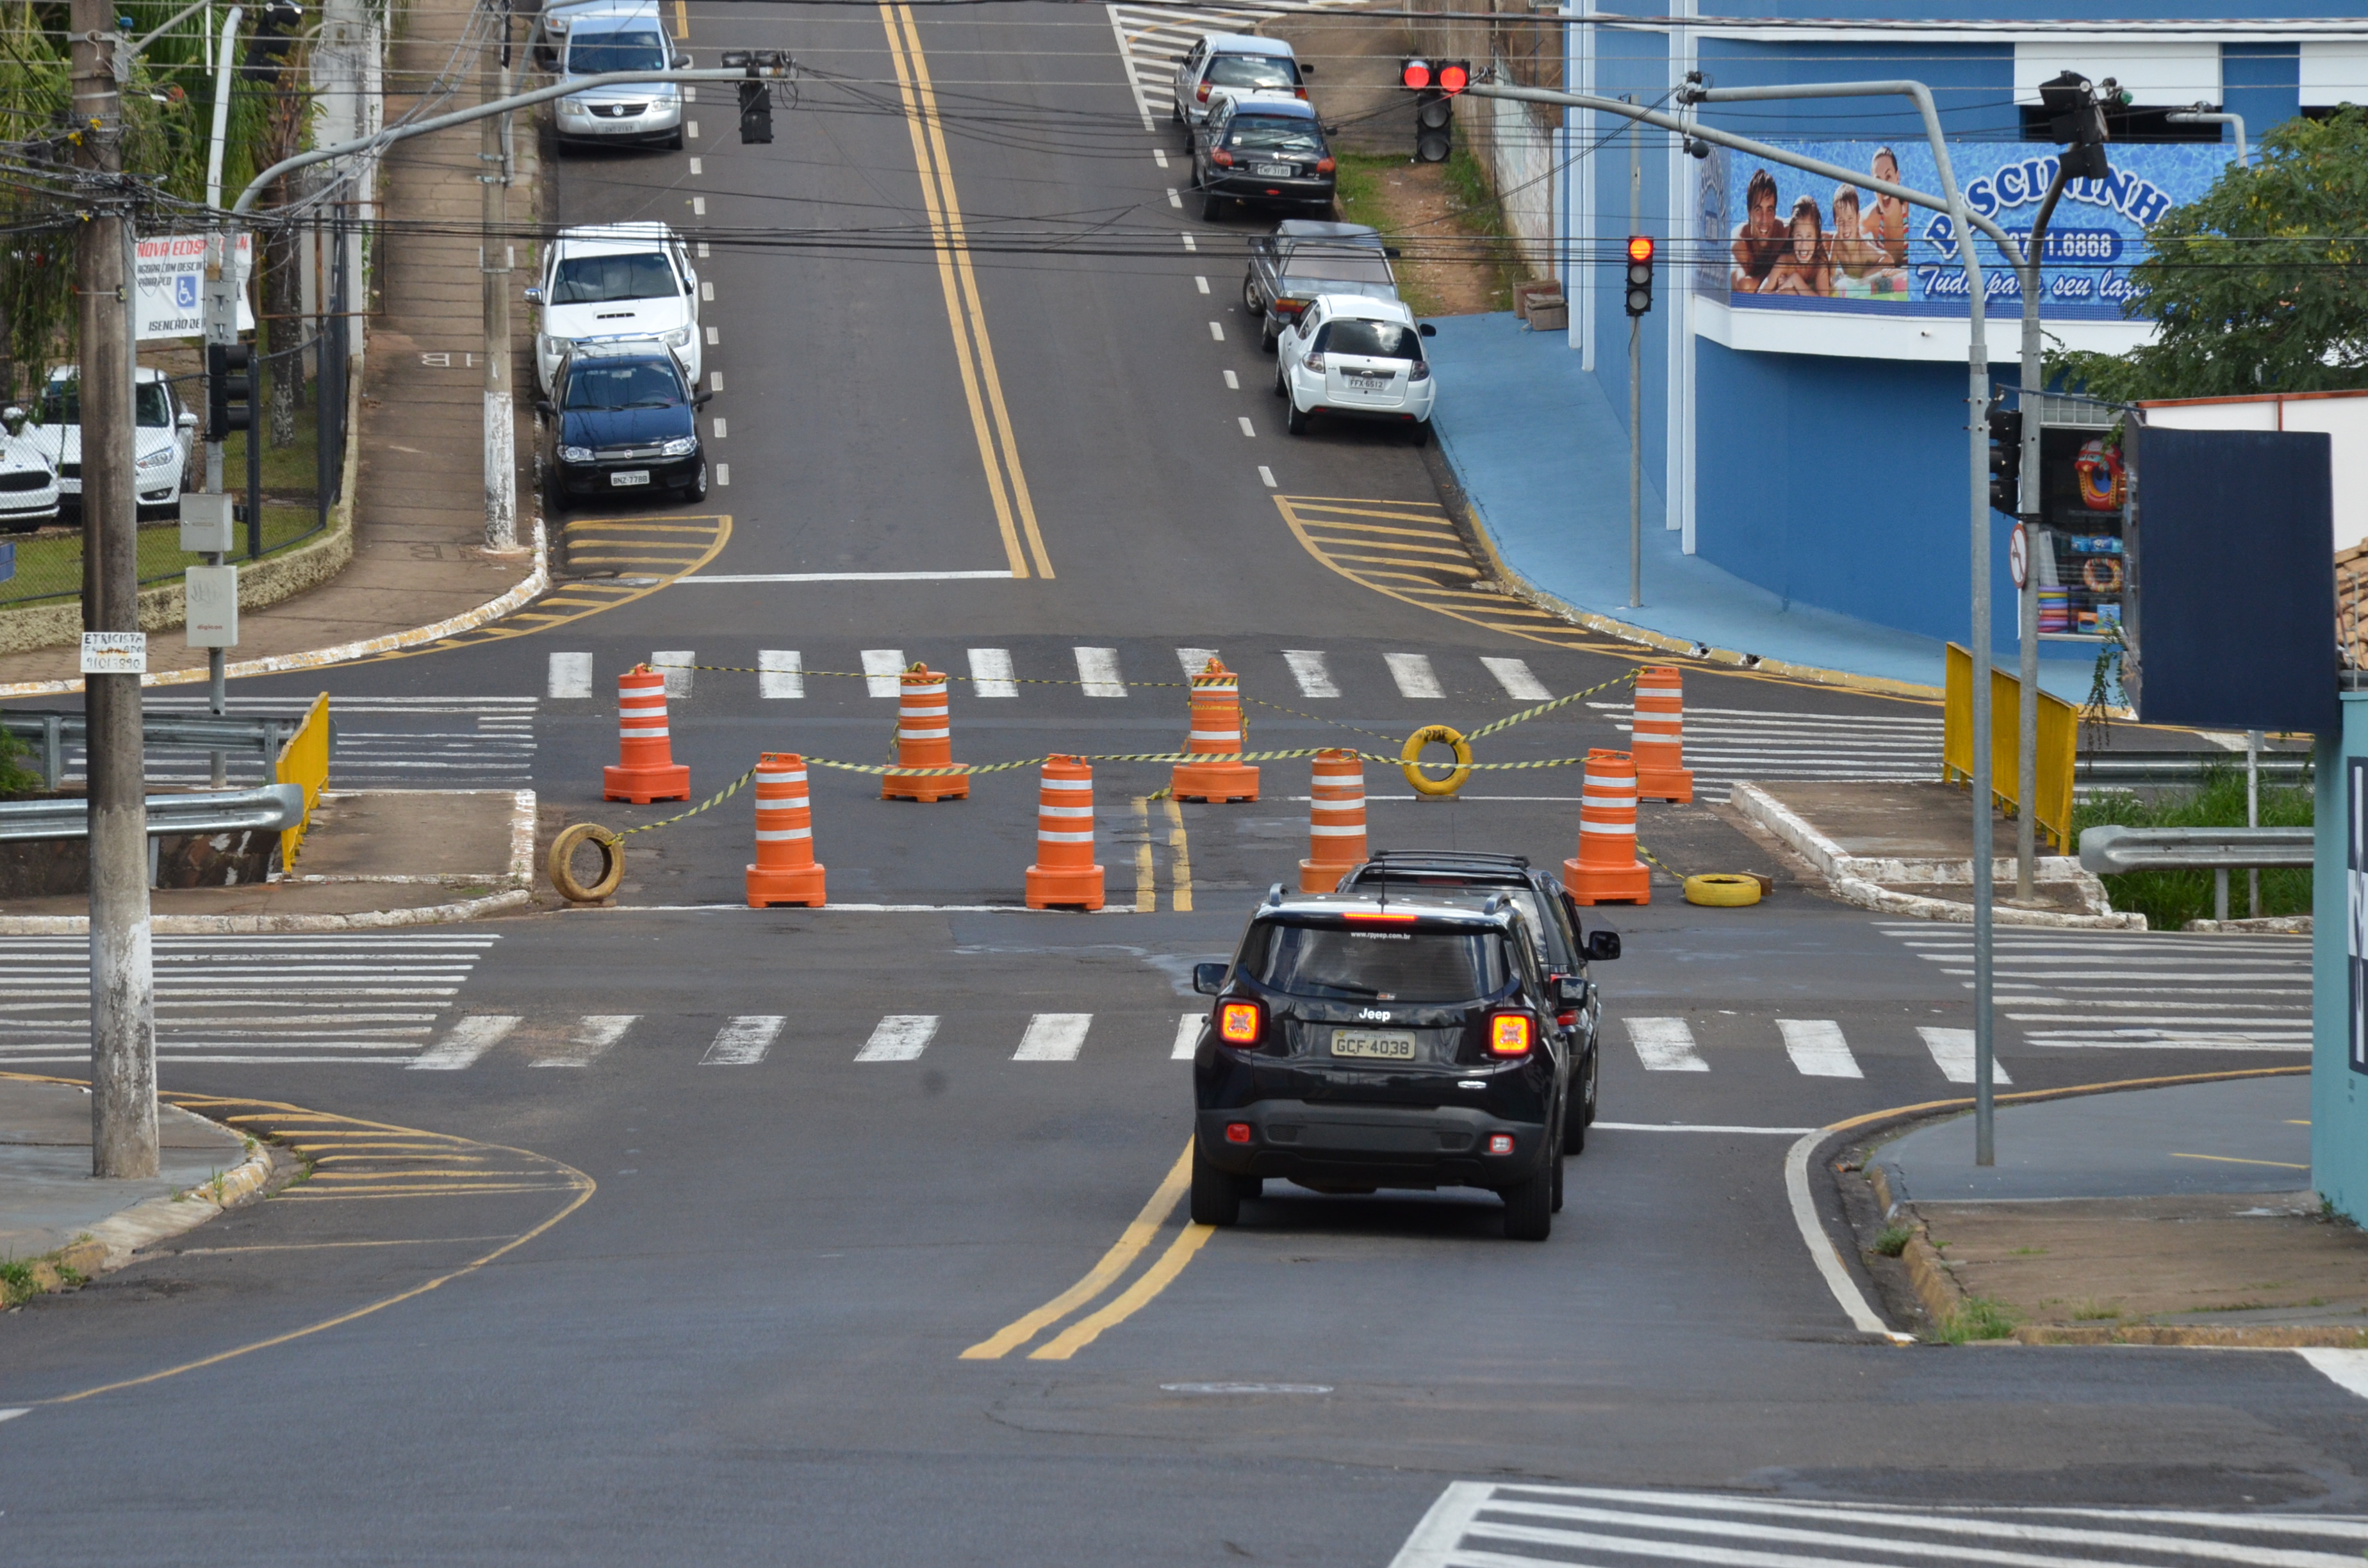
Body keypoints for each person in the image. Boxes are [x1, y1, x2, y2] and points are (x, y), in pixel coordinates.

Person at [1757, 194, 1831, 297]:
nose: (1803, 245)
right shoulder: (1785, 263)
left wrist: (1796, 281)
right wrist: (1785, 293)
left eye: (1809, 237)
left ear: (1817, 237)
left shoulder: (1819, 264)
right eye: (1799, 237)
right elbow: (1760, 296)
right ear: (1792, 235)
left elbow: (1824, 305)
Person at [1729, 168, 1785, 292]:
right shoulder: (1740, 243)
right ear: (1749, 212)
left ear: (1775, 212)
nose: (1764, 220)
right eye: (1758, 210)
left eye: (1770, 210)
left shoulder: (1784, 232)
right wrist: (1777, 272)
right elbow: (1745, 287)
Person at [1862, 146, 1911, 268]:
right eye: (1878, 181)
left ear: (1898, 178)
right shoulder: (1869, 221)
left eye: (1888, 177)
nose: (1884, 187)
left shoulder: (1913, 213)